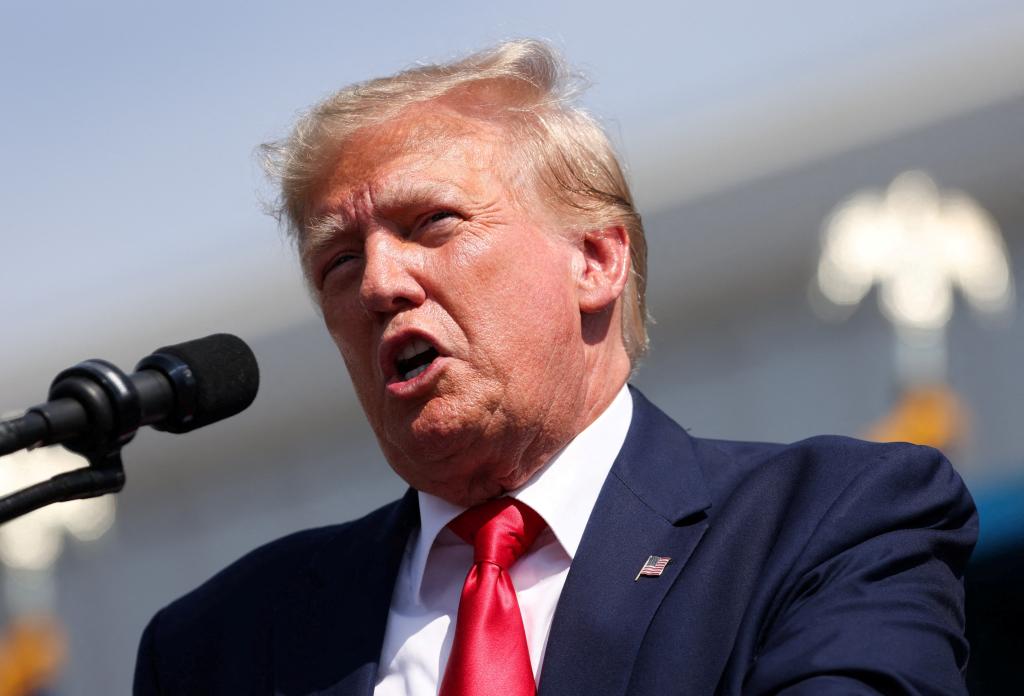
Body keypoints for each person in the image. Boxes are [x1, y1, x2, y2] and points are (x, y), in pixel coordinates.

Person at [133, 40, 977, 695]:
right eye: (339, 264)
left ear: (596, 260)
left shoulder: (829, 522)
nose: (382, 284)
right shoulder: (223, 642)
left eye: (432, 223)